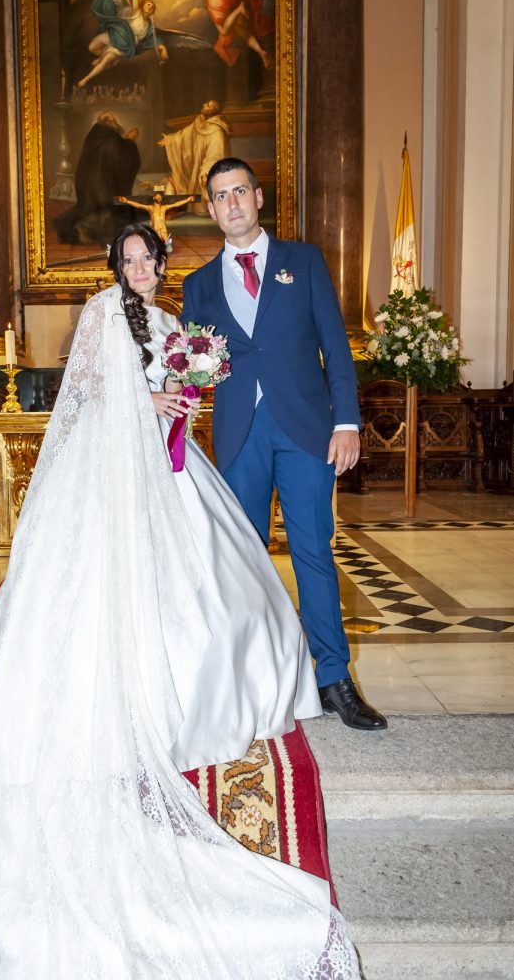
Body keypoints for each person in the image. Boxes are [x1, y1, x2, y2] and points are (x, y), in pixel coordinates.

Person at [0, 222, 360, 979]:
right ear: (115, 266)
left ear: (162, 264)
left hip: (171, 472)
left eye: (149, 258)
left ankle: (237, 683)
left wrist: (180, 398)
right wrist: (145, 403)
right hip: (112, 477)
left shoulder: (179, 323)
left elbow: (185, 394)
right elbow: (81, 396)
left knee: (228, 579)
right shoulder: (99, 315)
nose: (140, 268)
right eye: (129, 259)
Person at [181, 157, 388, 733]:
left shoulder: (304, 260)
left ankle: (334, 679)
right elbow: (192, 368)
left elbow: (336, 347)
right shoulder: (197, 286)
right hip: (239, 436)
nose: (232, 204)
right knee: (242, 563)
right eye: (220, 196)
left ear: (258, 196)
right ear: (212, 208)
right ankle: (255, 679)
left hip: (305, 430)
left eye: (239, 191)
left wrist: (346, 421)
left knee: (313, 554)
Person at [53, 111, 140, 246]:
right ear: (106, 122)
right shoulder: (110, 137)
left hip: (89, 184)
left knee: (92, 211)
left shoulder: (94, 136)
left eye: (114, 118)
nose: (114, 120)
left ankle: (84, 229)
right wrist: (129, 142)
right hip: (104, 186)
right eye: (111, 119)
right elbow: (120, 158)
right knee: (110, 216)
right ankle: (89, 231)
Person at [77, 0, 168, 88]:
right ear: (142, 6)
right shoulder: (136, 13)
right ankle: (107, 59)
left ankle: (85, 80)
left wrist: (163, 50)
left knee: (104, 61)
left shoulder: (149, 27)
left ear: (153, 10)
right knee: (92, 47)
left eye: (151, 6)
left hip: (125, 44)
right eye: (148, 4)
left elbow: (156, 41)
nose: (149, 6)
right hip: (117, 32)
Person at [159, 100, 231, 215]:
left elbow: (215, 156)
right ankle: (171, 210)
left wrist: (206, 171)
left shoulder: (217, 132)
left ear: (214, 111)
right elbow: (183, 136)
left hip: (204, 171)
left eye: (208, 105)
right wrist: (169, 140)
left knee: (205, 188)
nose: (204, 105)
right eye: (206, 104)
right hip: (194, 167)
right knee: (173, 181)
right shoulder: (198, 123)